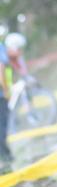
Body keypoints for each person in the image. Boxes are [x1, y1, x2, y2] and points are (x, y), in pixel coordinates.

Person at [0, 33, 27, 164]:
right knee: (1, 128)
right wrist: (5, 91)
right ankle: (6, 158)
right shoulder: (1, 50)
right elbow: (1, 70)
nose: (20, 52)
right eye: (19, 49)